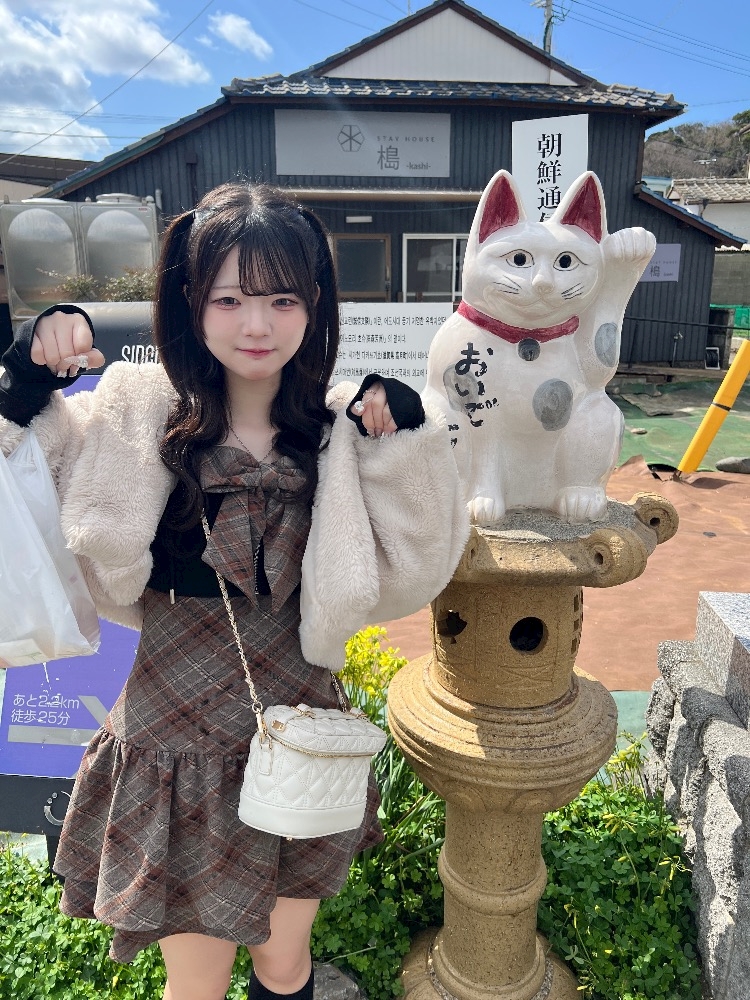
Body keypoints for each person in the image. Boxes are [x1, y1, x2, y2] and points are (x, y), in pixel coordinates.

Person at [0, 182, 468, 1000]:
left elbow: (413, 565)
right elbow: (28, 476)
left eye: (283, 299)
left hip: (297, 730)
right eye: (230, 299)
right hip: (172, 742)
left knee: (284, 963)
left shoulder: (339, 433)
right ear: (192, 301)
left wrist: (407, 443)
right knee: (198, 980)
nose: (258, 325)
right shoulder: (135, 419)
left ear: (314, 305)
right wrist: (26, 374)